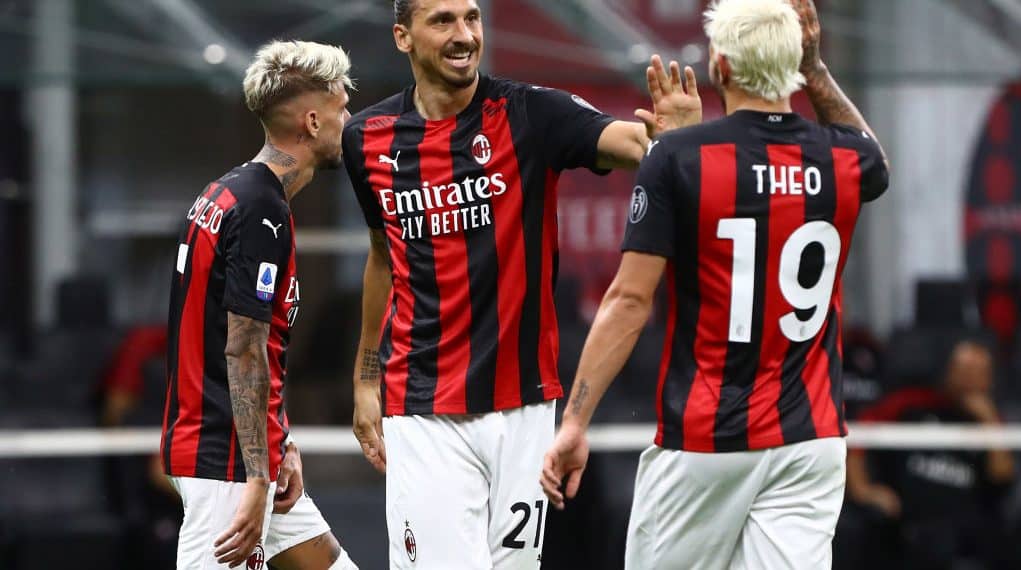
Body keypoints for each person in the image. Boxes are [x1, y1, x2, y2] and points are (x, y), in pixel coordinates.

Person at [341, 0, 701, 567]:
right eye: (443, 21)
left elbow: (631, 144)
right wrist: (365, 379)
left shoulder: (530, 113)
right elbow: (383, 257)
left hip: (524, 412)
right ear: (402, 37)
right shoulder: (366, 138)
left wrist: (673, 142)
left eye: (472, 18)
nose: (464, 35)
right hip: (423, 409)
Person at [540, 0, 890, 568]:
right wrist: (818, 69)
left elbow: (629, 302)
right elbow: (872, 156)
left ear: (719, 66)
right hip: (811, 441)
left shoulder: (680, 157)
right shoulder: (844, 161)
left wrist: (575, 421)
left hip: (707, 440)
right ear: (796, 62)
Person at [161, 40, 358, 570]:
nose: (350, 120)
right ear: (313, 122)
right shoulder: (259, 211)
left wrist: (280, 443)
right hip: (226, 461)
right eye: (342, 107)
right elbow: (243, 348)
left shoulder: (227, 193)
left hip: (248, 453)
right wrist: (257, 476)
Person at [846, 338, 1016, 569]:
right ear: (948, 371)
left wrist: (988, 420)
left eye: (978, 371)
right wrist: (864, 490)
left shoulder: (992, 423)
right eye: (964, 369)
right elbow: (856, 436)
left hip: (964, 533)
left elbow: (1003, 477)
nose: (970, 379)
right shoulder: (910, 403)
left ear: (990, 380)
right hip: (905, 526)